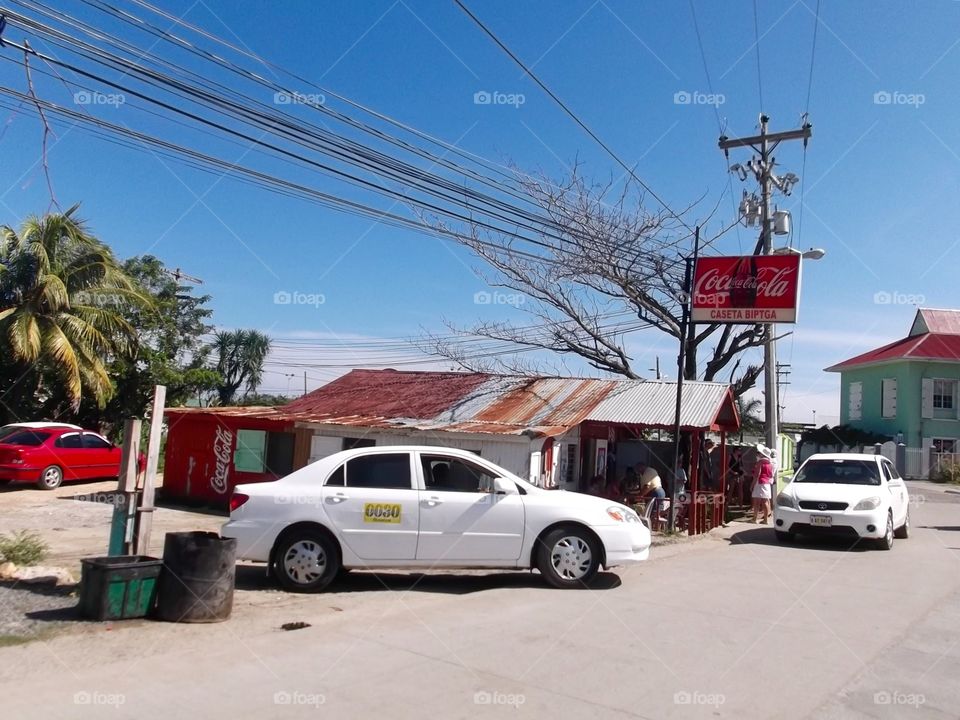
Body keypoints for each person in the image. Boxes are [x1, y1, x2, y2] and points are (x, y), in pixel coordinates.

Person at [751, 443, 775, 524]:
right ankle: (766, 519)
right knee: (765, 501)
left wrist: (752, 484)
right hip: (767, 483)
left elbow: (757, 474)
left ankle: (754, 518)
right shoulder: (770, 463)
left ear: (762, 454)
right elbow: (771, 474)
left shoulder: (760, 462)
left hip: (760, 482)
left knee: (757, 501)